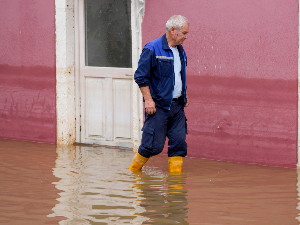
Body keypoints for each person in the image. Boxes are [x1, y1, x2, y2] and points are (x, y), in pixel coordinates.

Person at [128, 15, 190, 173]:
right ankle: (133, 173)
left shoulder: (181, 51)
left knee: (179, 145)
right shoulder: (152, 48)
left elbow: (179, 75)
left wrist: (185, 93)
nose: (186, 36)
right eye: (184, 33)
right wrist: (148, 100)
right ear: (173, 30)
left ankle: (176, 189)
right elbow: (140, 76)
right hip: (158, 107)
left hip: (177, 107)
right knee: (152, 146)